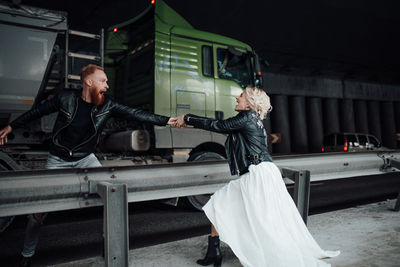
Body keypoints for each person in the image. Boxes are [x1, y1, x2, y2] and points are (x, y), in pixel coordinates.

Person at [0, 64, 178, 267]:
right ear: (88, 82)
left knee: (113, 197)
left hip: (86, 158)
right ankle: (27, 254)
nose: (107, 85)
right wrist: (11, 126)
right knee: (38, 212)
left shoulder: (107, 105)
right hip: (58, 160)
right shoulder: (65, 98)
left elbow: (135, 113)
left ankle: (110, 247)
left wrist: (167, 120)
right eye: (103, 81)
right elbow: (37, 112)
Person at [176, 87, 340, 267]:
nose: (237, 98)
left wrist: (188, 118)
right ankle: (213, 253)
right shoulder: (252, 119)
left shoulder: (246, 117)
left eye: (241, 96)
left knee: (256, 218)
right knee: (222, 205)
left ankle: (227, 254)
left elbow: (218, 125)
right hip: (264, 171)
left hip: (258, 173)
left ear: (250, 103)